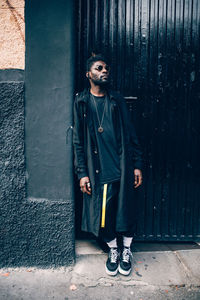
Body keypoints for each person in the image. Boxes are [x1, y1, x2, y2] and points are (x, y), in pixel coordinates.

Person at [73, 54, 143, 276]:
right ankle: (113, 250)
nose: (104, 71)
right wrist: (82, 173)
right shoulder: (81, 102)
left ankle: (126, 251)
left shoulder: (116, 99)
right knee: (104, 216)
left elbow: (131, 133)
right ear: (88, 74)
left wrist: (136, 164)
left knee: (126, 210)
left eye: (106, 68)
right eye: (99, 68)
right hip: (99, 170)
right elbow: (78, 142)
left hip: (122, 165)